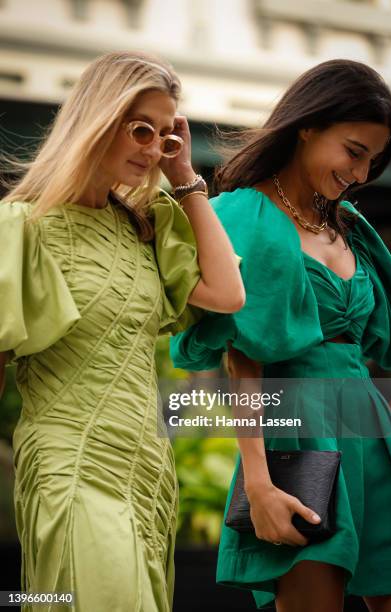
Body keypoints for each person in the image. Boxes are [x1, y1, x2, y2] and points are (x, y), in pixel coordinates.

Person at [0, 50, 245, 611]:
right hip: (71, 460)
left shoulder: (144, 227)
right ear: (98, 120)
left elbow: (229, 294)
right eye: (140, 128)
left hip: (147, 467)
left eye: (164, 135)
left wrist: (186, 180)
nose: (152, 147)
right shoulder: (19, 228)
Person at [170, 59, 391, 611]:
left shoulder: (349, 224)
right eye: (354, 151)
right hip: (298, 439)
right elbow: (243, 360)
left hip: (371, 433)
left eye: (373, 161)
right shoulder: (243, 215)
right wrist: (258, 481)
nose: (362, 173)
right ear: (308, 125)